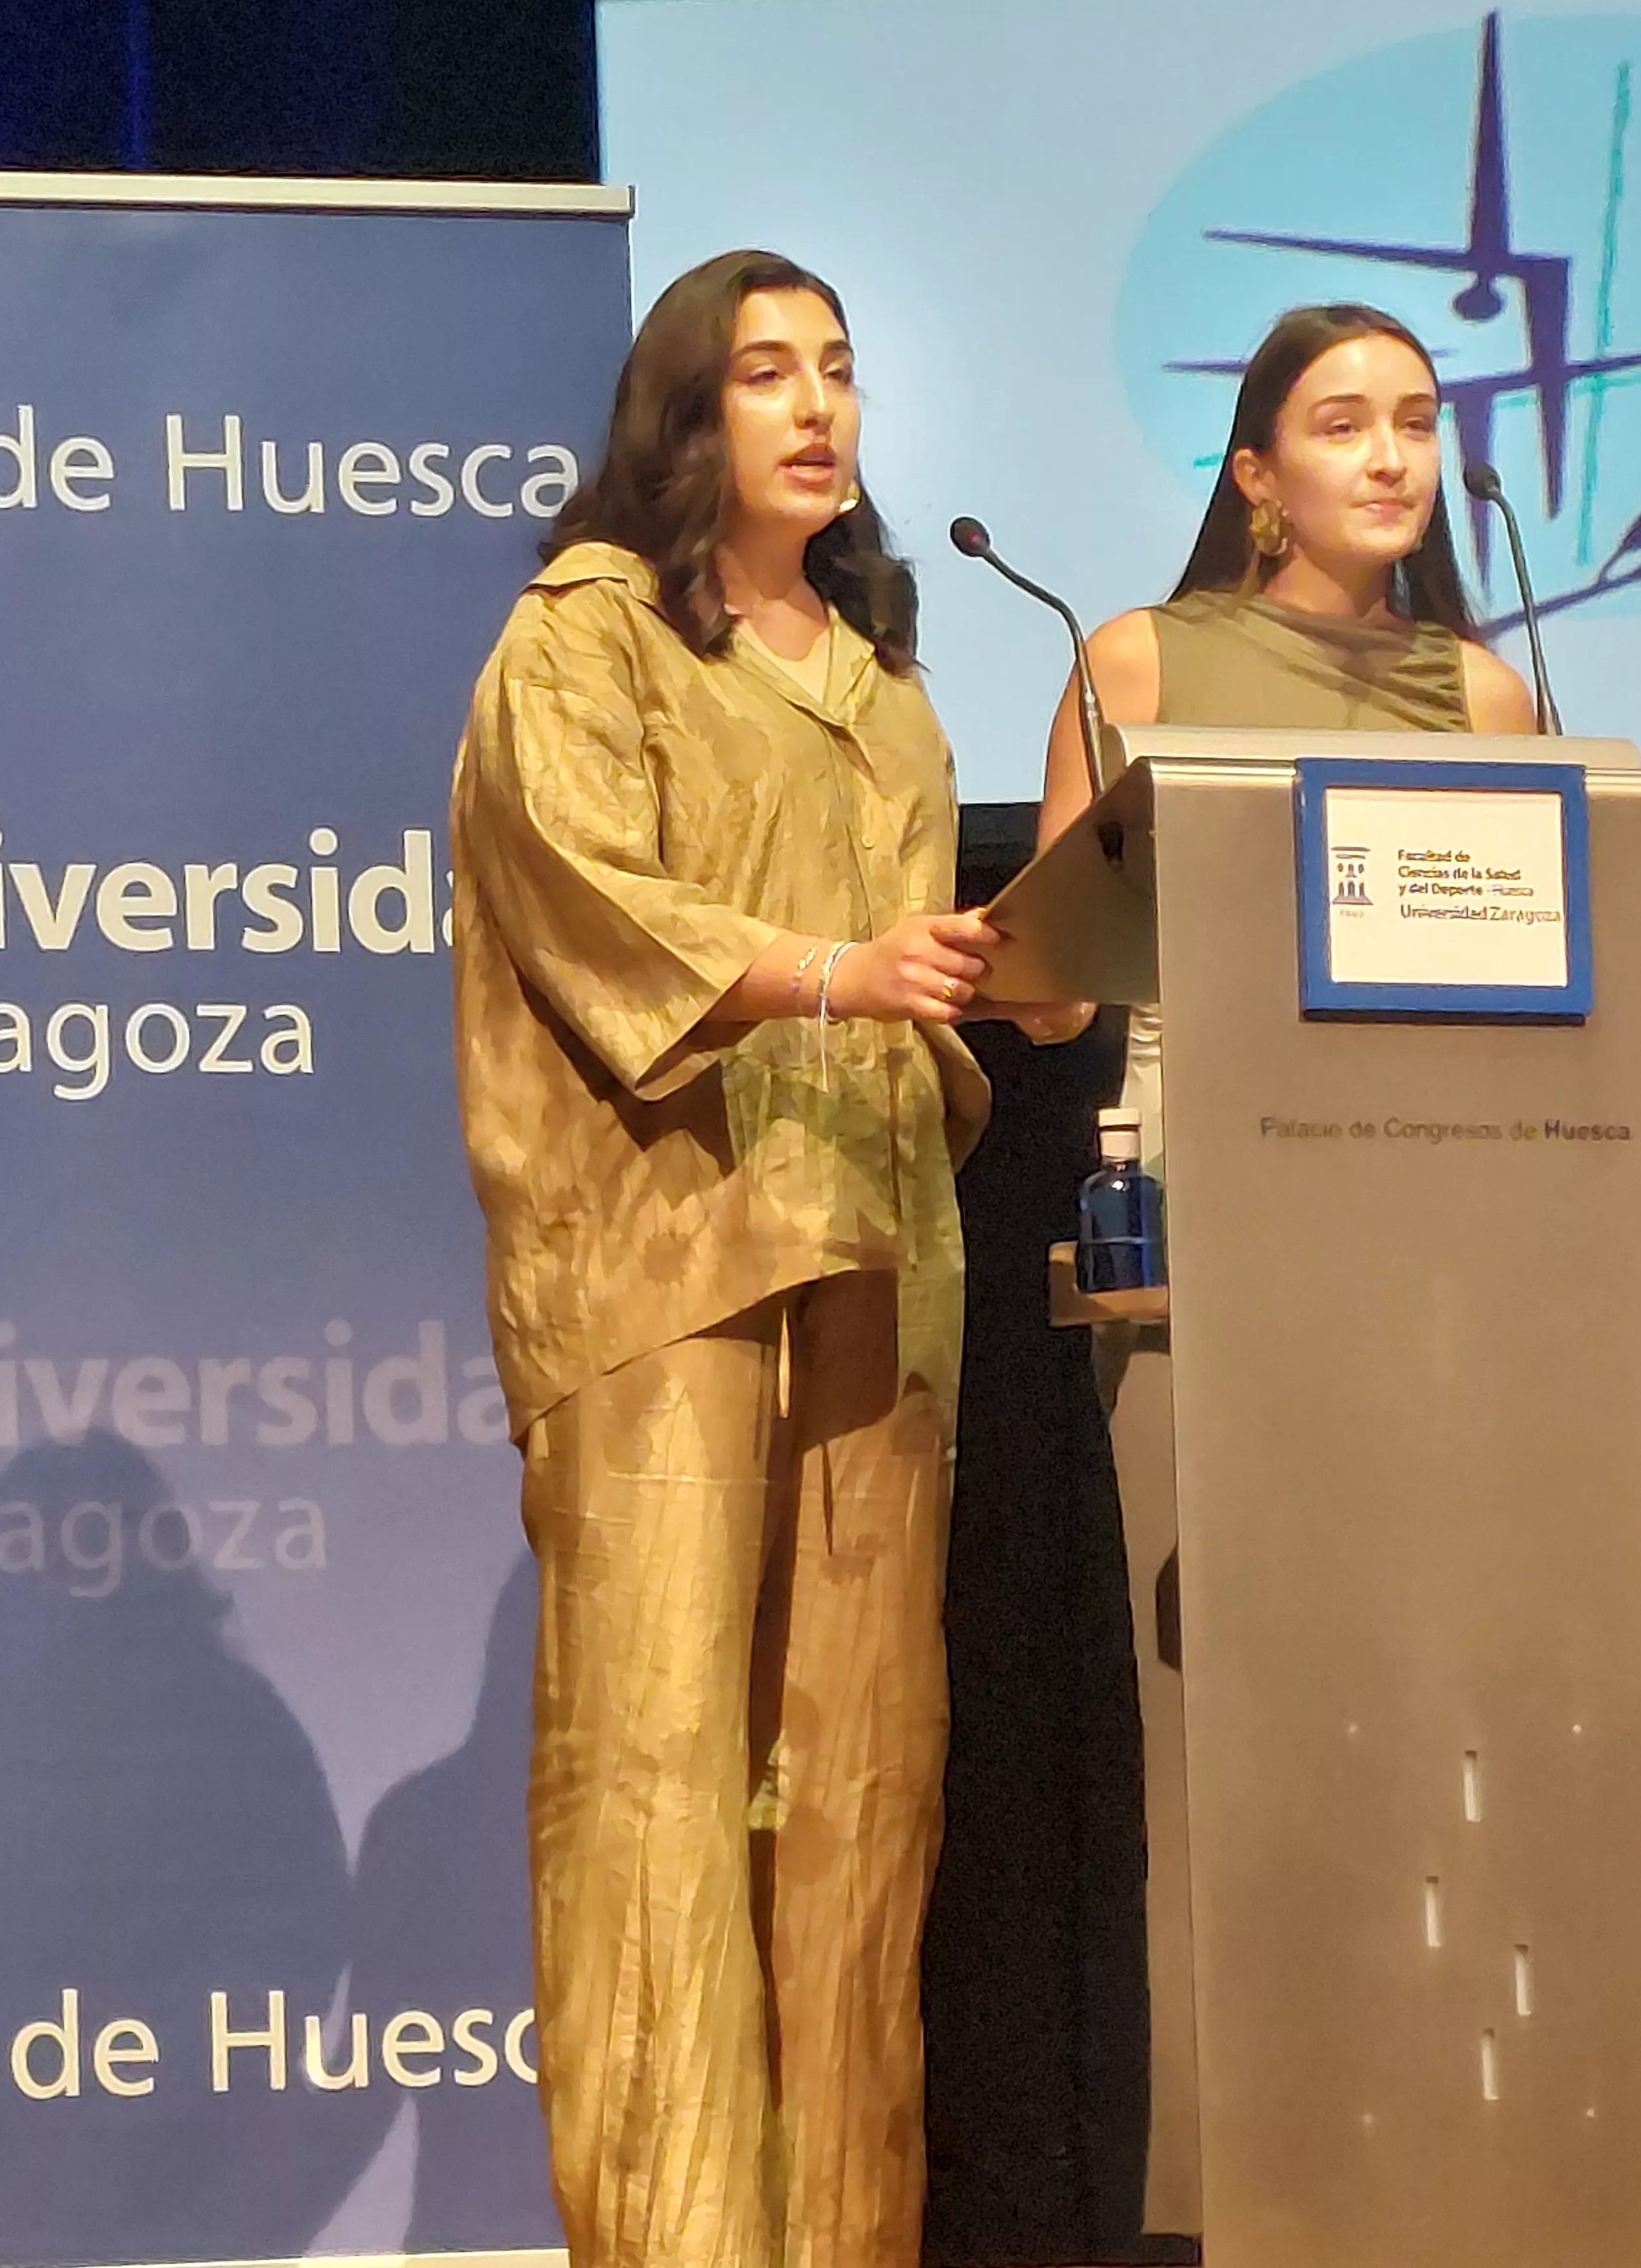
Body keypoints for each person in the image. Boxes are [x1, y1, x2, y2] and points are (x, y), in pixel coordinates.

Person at [448, 249, 1026, 2268]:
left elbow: (909, 991)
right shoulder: (583, 640)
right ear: (681, 420)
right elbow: (590, 902)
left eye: (840, 372)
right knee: (664, 1781)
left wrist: (999, 987)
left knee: (867, 1785)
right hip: (669, 1258)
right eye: (764, 372)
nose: (815, 407)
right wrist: (842, 975)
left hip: (879, 1244)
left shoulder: (888, 687)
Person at [1031, 301, 1538, 2237]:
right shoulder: (1140, 661)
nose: (1393, 455)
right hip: (1204, 1217)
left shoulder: (1488, 696)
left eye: (1418, 420)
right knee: (1222, 1733)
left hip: (1445, 1238)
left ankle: (1440, 2161)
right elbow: (1049, 978)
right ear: (1256, 473)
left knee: (1432, 1707)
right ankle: (1231, 2190)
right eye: (1345, 424)